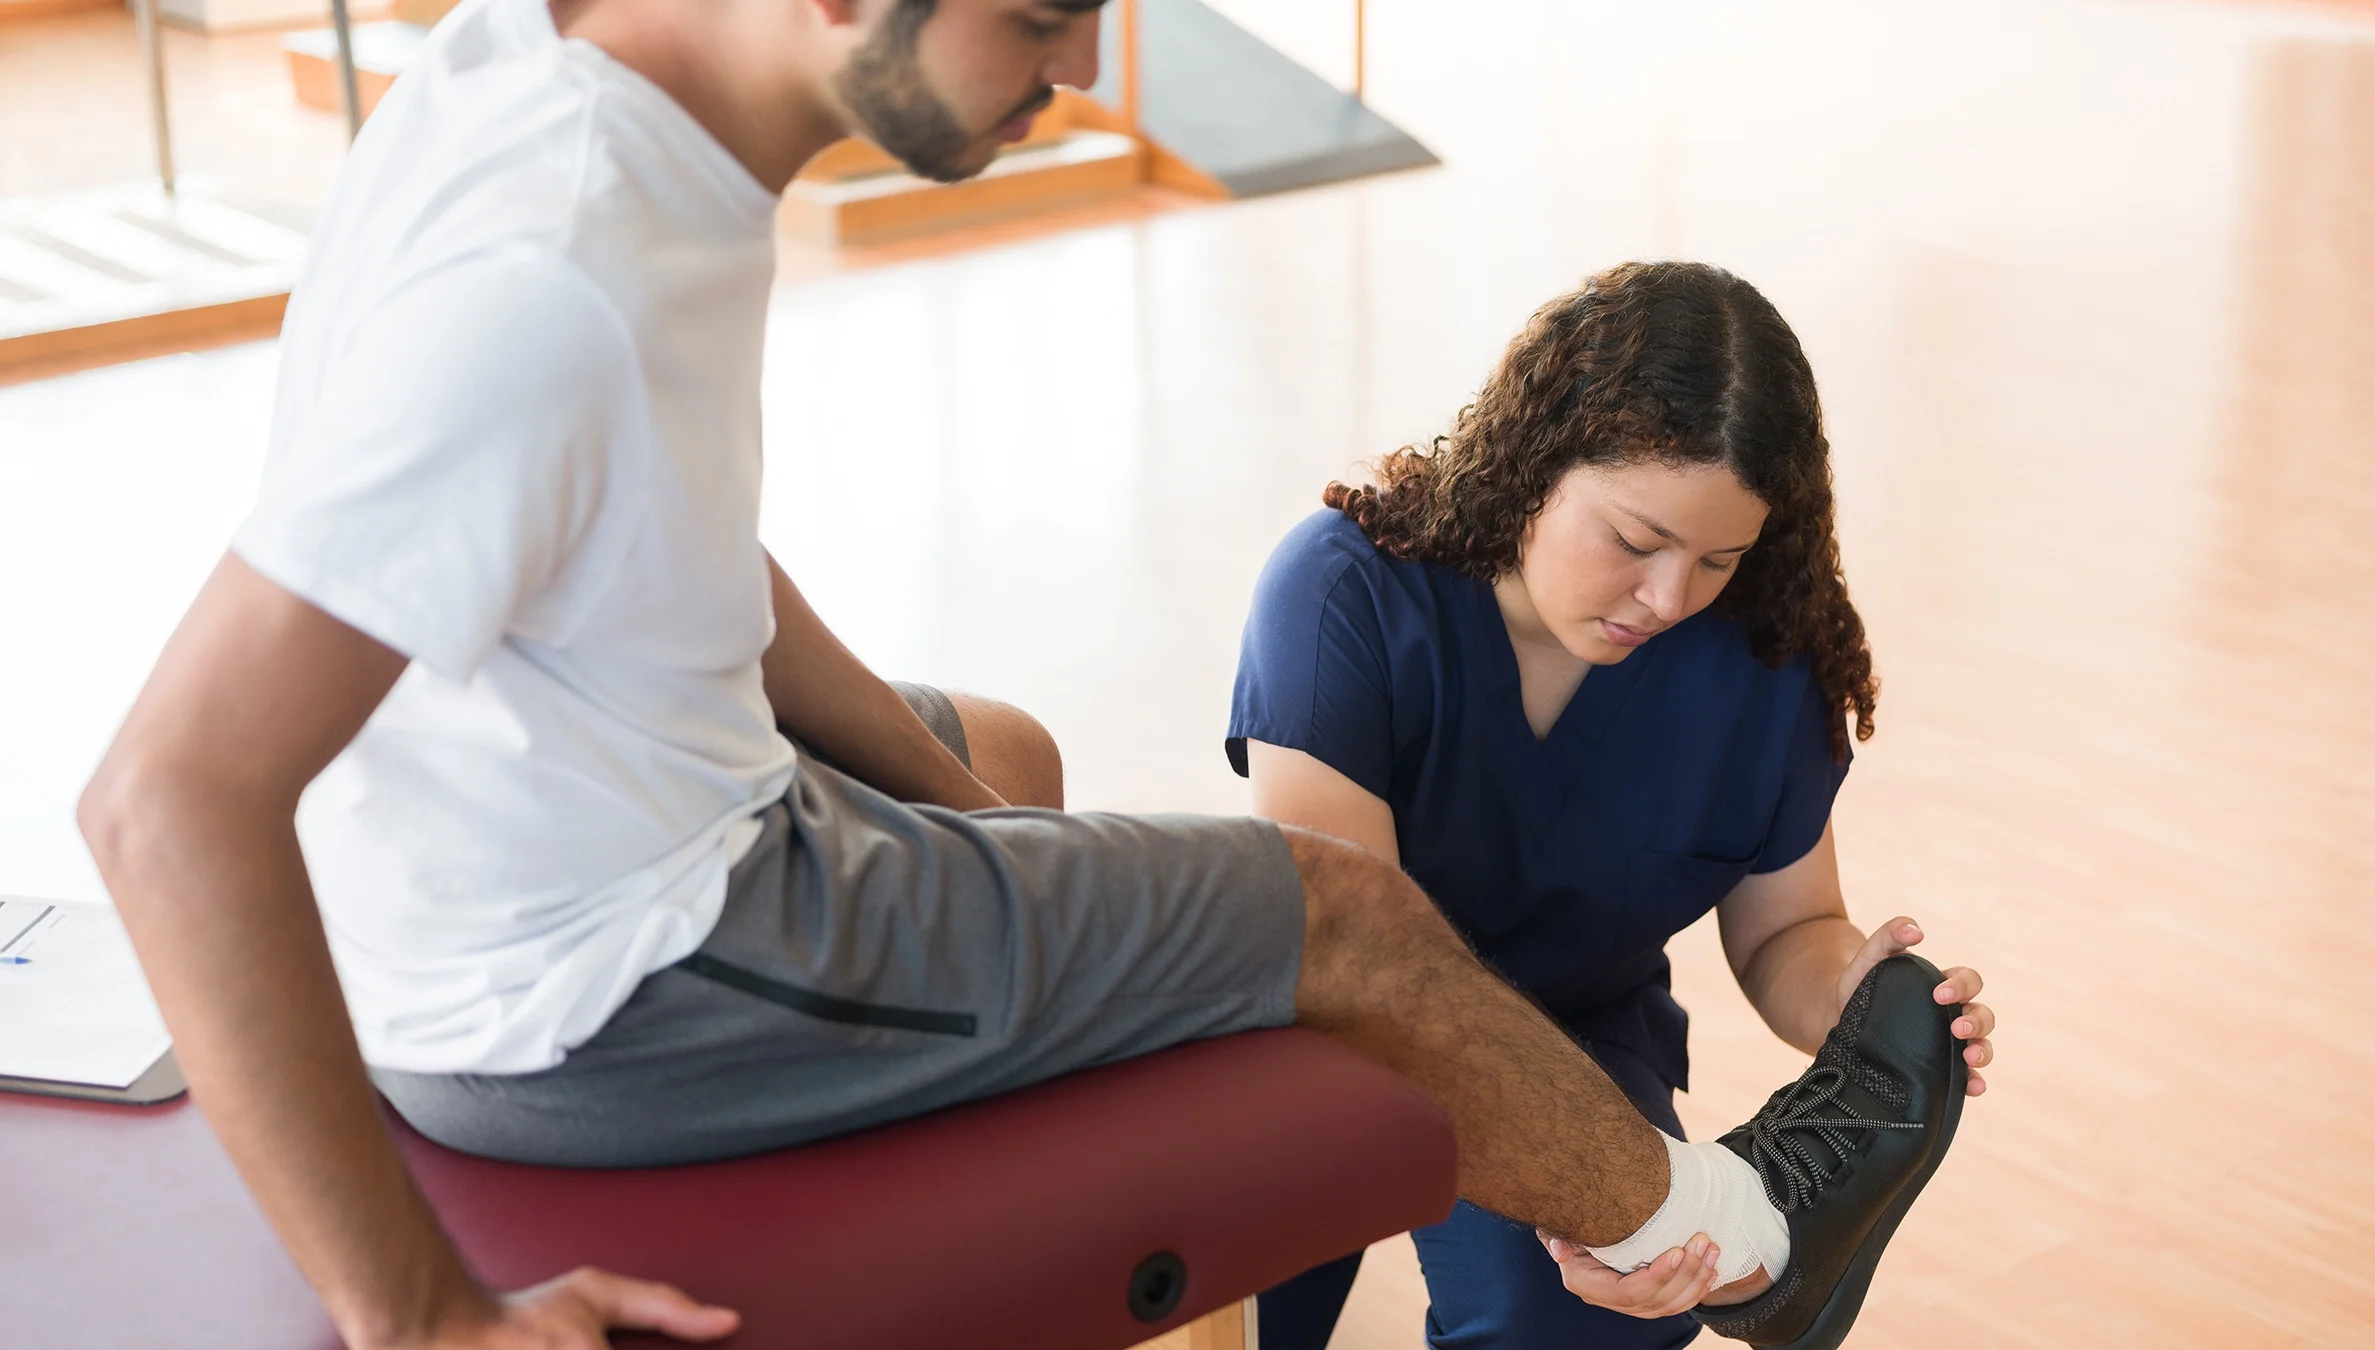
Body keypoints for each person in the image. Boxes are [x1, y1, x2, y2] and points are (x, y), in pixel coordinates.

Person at [74, 4, 1973, 1348]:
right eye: (1047, 22)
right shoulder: (544, 286)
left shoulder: (568, 83)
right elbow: (165, 798)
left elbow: (687, 549)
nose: (1078, 82)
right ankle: (1756, 1240)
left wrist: (978, 827)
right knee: (1336, 917)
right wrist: (412, 1314)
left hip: (591, 839)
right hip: (610, 984)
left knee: (1003, 749)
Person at [1231, 260, 1998, 1350]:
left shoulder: (1766, 665)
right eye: (1636, 543)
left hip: (1576, 1036)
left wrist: (1859, 1006)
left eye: (1719, 559)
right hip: (1322, 1026)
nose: (1669, 598)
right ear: (1536, 462)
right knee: (1222, 1292)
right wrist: (1605, 1176)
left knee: (1600, 1324)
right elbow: (1357, 965)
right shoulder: (1346, 590)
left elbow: (1785, 927)